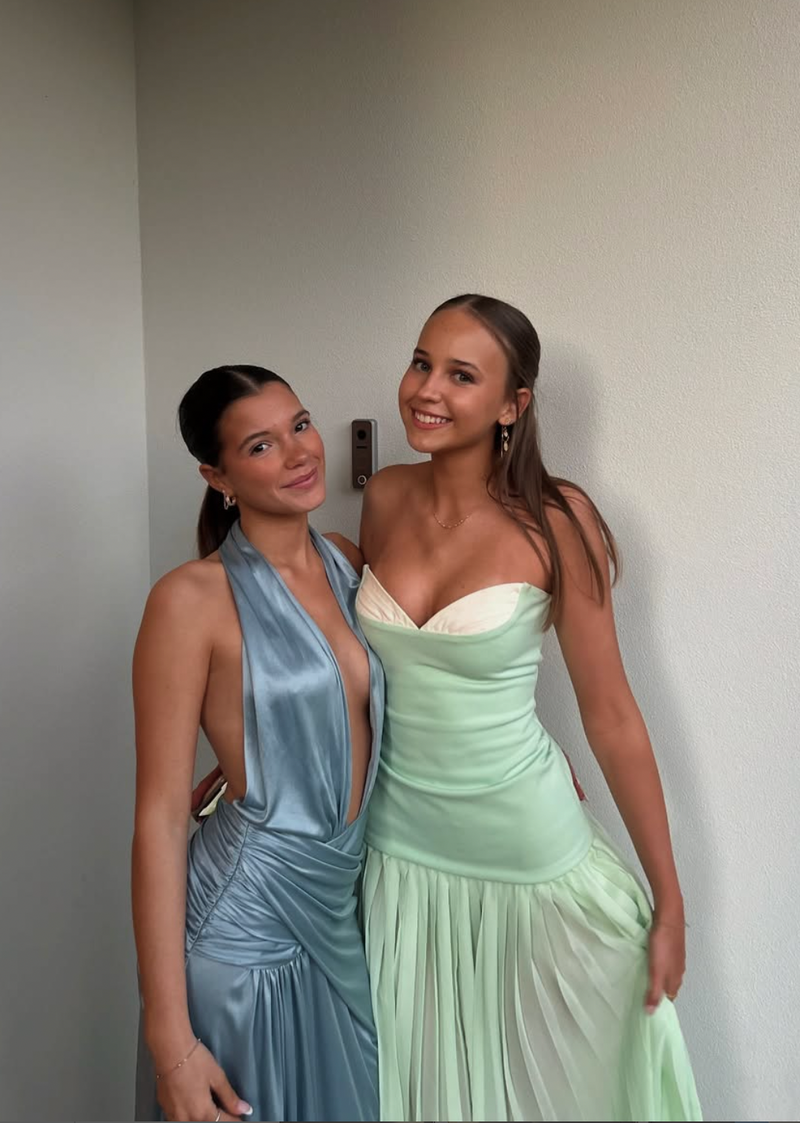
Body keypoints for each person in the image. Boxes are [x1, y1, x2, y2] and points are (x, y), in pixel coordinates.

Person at [356, 295, 702, 1121]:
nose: (426, 389)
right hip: (397, 855)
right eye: (421, 362)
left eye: (461, 375)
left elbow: (611, 714)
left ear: (512, 405)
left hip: (527, 851)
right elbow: (359, 676)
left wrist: (671, 901)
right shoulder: (385, 497)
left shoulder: (558, 519)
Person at [132, 365, 384, 1123]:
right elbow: (159, 819)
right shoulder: (188, 600)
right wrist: (170, 1041)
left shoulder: (346, 561)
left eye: (300, 425)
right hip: (244, 935)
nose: (300, 452)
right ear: (218, 477)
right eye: (262, 445)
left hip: (339, 909)